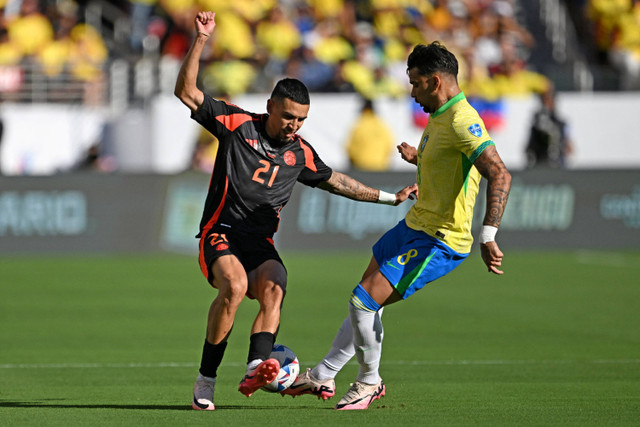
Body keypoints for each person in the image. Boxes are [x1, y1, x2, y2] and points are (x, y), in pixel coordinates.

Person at [174, 11, 418, 411]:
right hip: (222, 232)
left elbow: (338, 181)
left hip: (260, 241)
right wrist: (201, 40)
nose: (293, 126)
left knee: (275, 285)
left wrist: (390, 198)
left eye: (301, 119)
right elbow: (186, 92)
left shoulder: (300, 153)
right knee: (233, 288)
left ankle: (258, 365)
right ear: (270, 106)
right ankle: (206, 378)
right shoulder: (237, 125)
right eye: (287, 116)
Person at [282, 41, 512, 410]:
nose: (412, 91)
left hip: (440, 239)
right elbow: (449, 161)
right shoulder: (440, 115)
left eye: (415, 83)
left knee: (363, 303)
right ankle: (324, 374)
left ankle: (369, 382)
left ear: (435, 81)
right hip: (415, 224)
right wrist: (418, 158)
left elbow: (499, 173)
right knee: (365, 299)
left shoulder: (463, 121)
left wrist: (488, 234)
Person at [525, 87, 573, 169]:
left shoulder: (561, 124)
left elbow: (569, 148)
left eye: (549, 101)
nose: (546, 104)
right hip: (540, 163)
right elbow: (528, 147)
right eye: (544, 101)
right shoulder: (536, 125)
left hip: (558, 164)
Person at [345, 97, 396, 172]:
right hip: (381, 167)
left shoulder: (359, 125)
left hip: (361, 166)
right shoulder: (381, 125)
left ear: (363, 110)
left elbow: (350, 148)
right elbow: (390, 145)